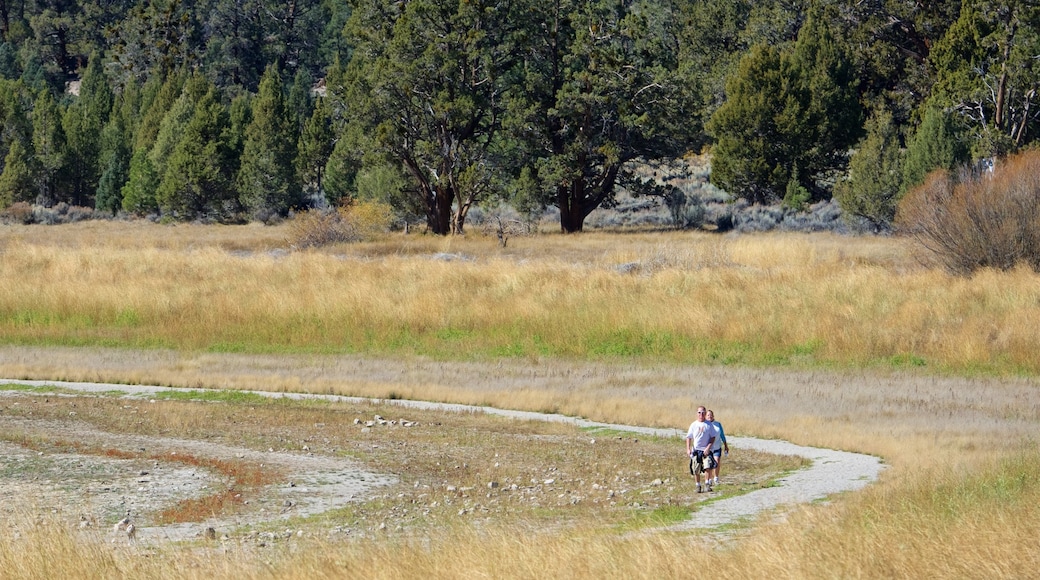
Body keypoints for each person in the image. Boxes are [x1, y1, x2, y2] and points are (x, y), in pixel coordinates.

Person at [685, 406, 717, 493]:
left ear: (705, 413)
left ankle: (707, 484)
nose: (701, 414)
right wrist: (688, 449)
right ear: (697, 413)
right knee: (696, 469)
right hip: (696, 450)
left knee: (708, 466)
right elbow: (689, 437)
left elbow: (713, 437)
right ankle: (698, 486)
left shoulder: (709, 425)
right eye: (699, 412)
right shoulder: (694, 425)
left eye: (703, 412)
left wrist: (708, 448)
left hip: (706, 450)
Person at [705, 409, 729, 486]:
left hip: (717, 447)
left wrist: (726, 445)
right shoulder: (705, 425)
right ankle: (709, 479)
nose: (710, 416)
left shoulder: (718, 424)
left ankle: (716, 477)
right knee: (709, 464)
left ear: (713, 416)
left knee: (717, 461)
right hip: (708, 448)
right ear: (706, 416)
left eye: (711, 415)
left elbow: (722, 435)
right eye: (708, 415)